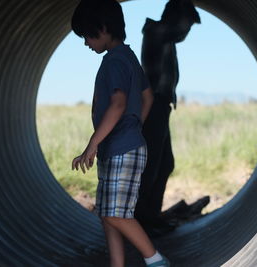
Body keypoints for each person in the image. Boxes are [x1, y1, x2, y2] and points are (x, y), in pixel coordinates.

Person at [70, 0, 170, 266]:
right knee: (108, 213)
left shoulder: (114, 61)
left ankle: (156, 261)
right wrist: (134, 127)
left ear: (103, 28)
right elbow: (147, 97)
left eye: (87, 35)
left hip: (121, 149)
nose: (86, 43)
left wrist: (92, 144)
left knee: (116, 214)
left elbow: (118, 103)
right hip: (120, 146)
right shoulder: (128, 56)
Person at [135, 0, 201, 235]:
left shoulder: (163, 36)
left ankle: (150, 215)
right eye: (187, 25)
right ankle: (142, 219)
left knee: (163, 164)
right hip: (154, 105)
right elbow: (174, 31)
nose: (186, 32)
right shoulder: (157, 32)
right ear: (174, 19)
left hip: (161, 105)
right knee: (152, 165)